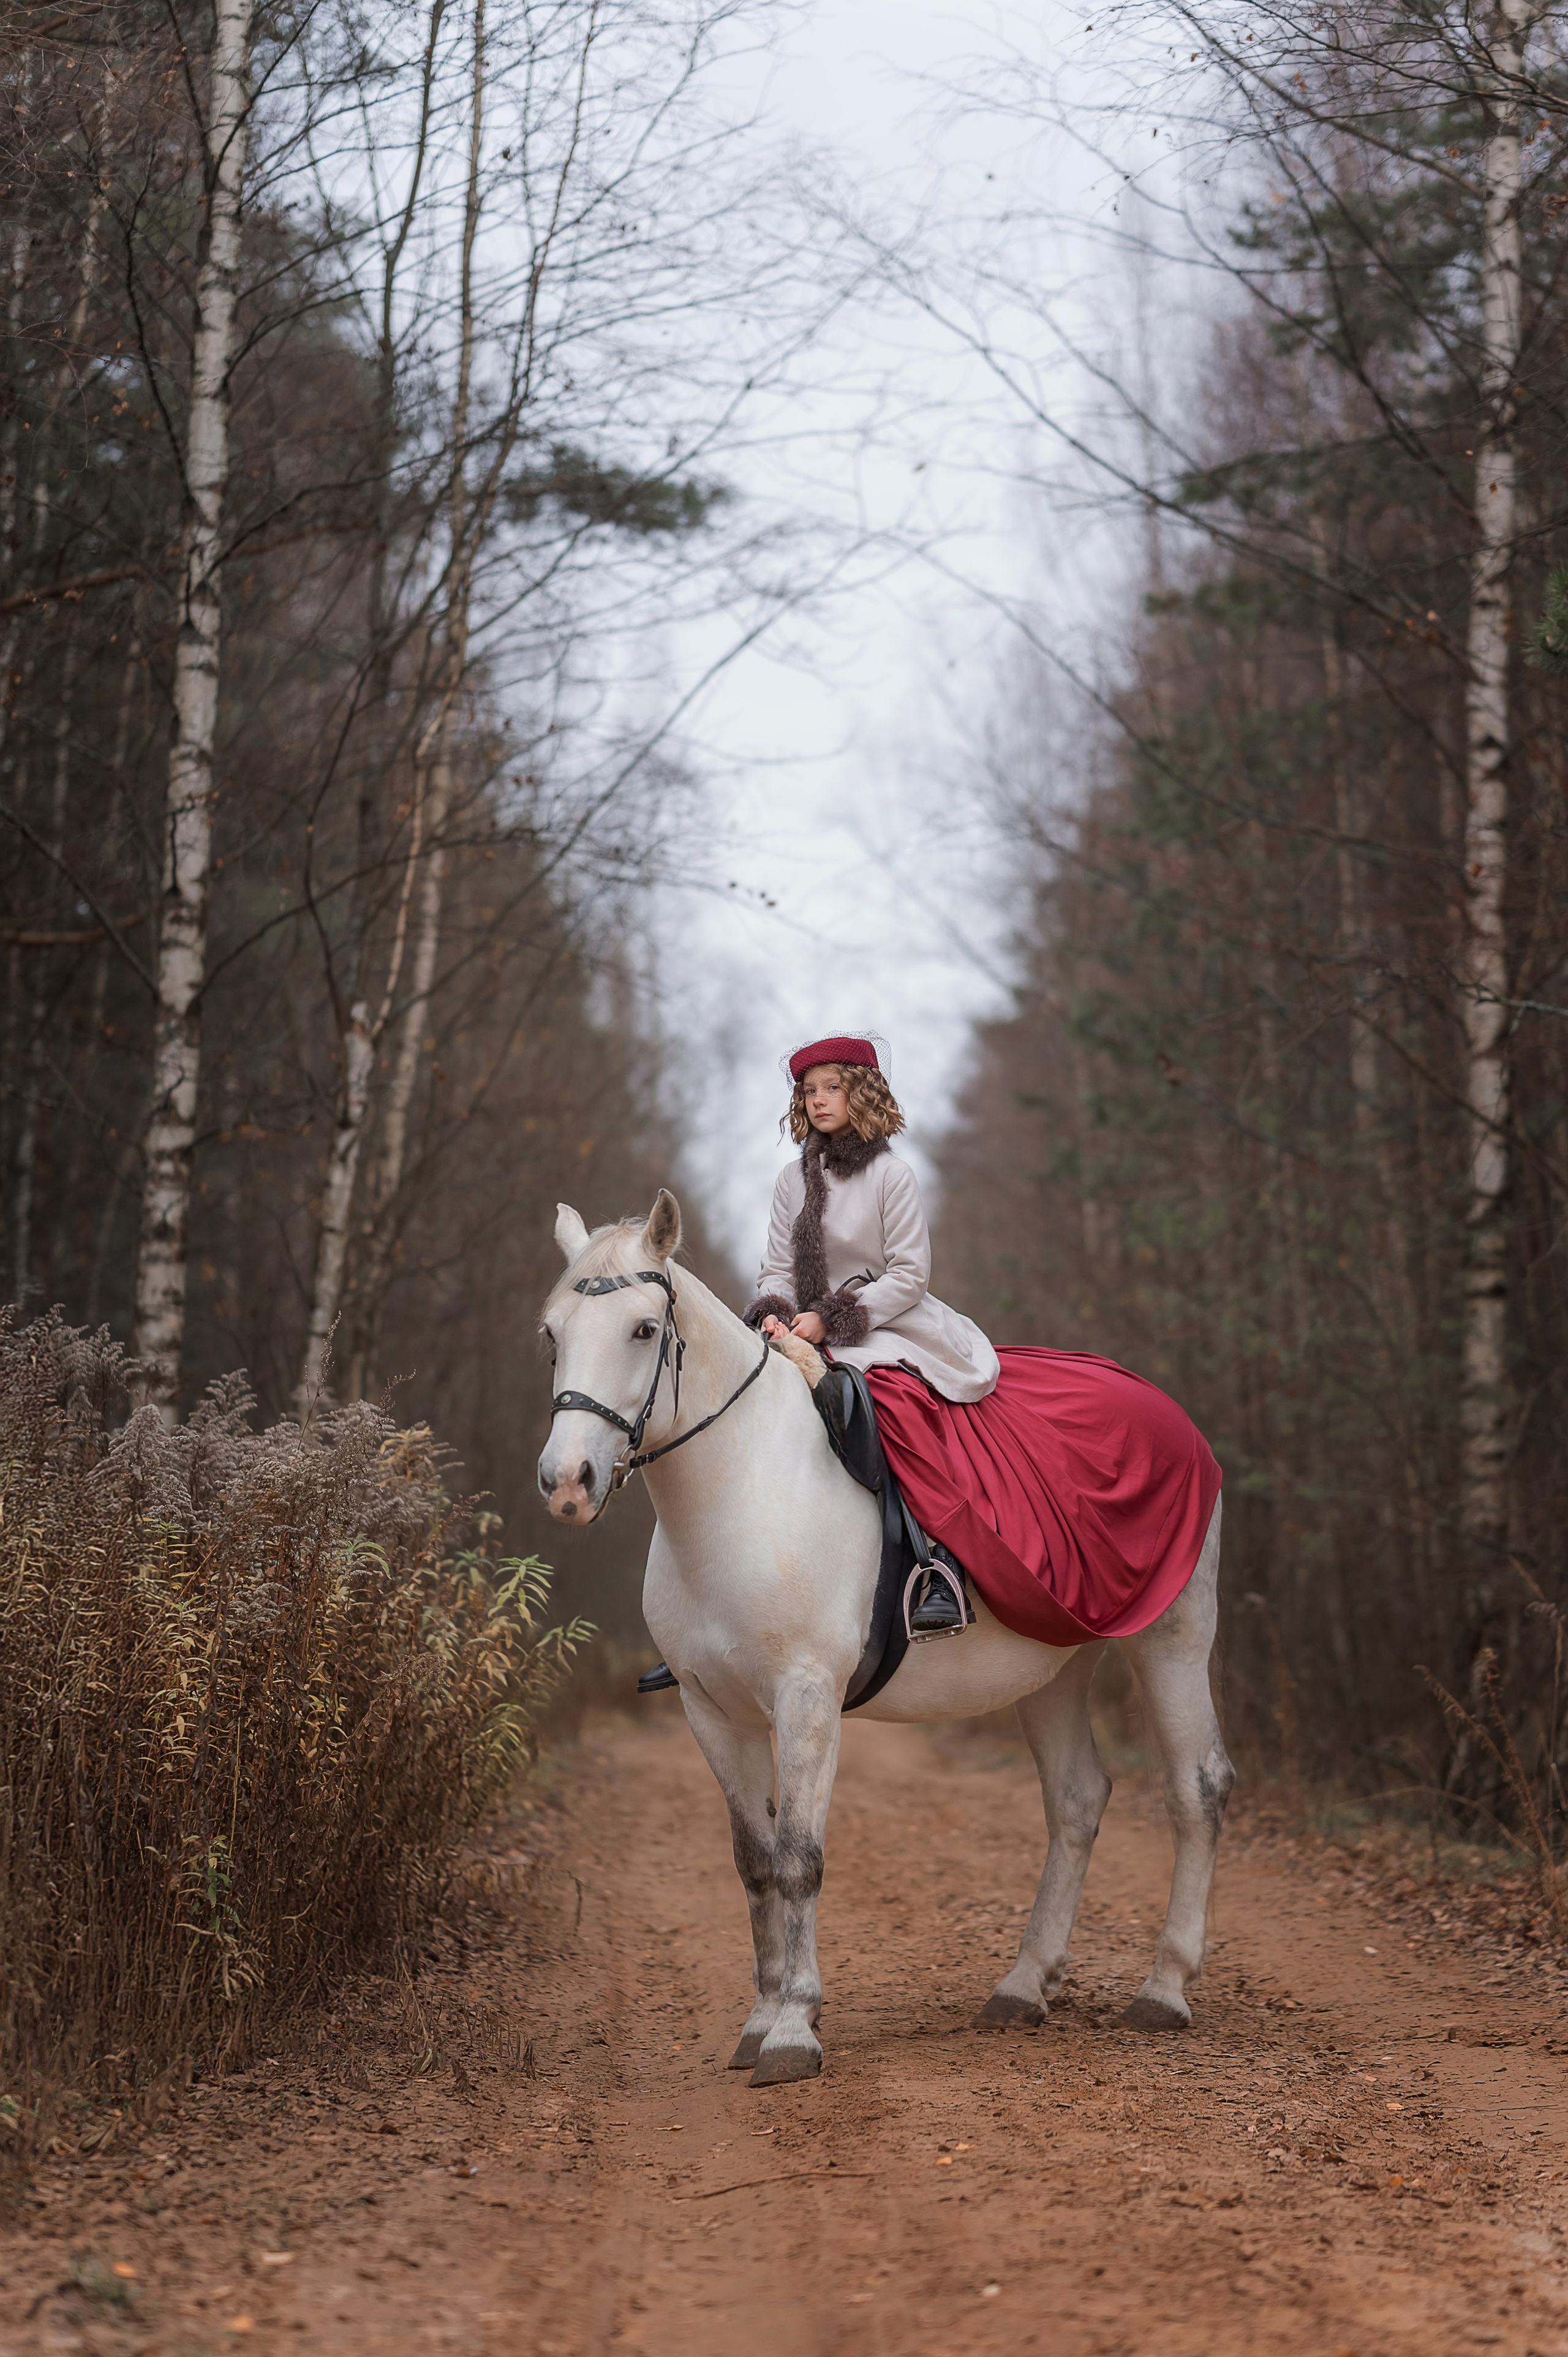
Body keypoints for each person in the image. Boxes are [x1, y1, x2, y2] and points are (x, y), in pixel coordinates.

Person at [743, 1033, 998, 1634]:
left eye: (832, 1086)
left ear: (862, 1091)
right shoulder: (790, 1179)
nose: (819, 1099)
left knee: (894, 1402)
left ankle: (940, 1563)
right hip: (801, 1328)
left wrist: (830, 1317)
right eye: (809, 1090)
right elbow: (776, 1265)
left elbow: (910, 1274)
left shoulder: (892, 1174)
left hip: (886, 1322)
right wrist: (775, 1312)